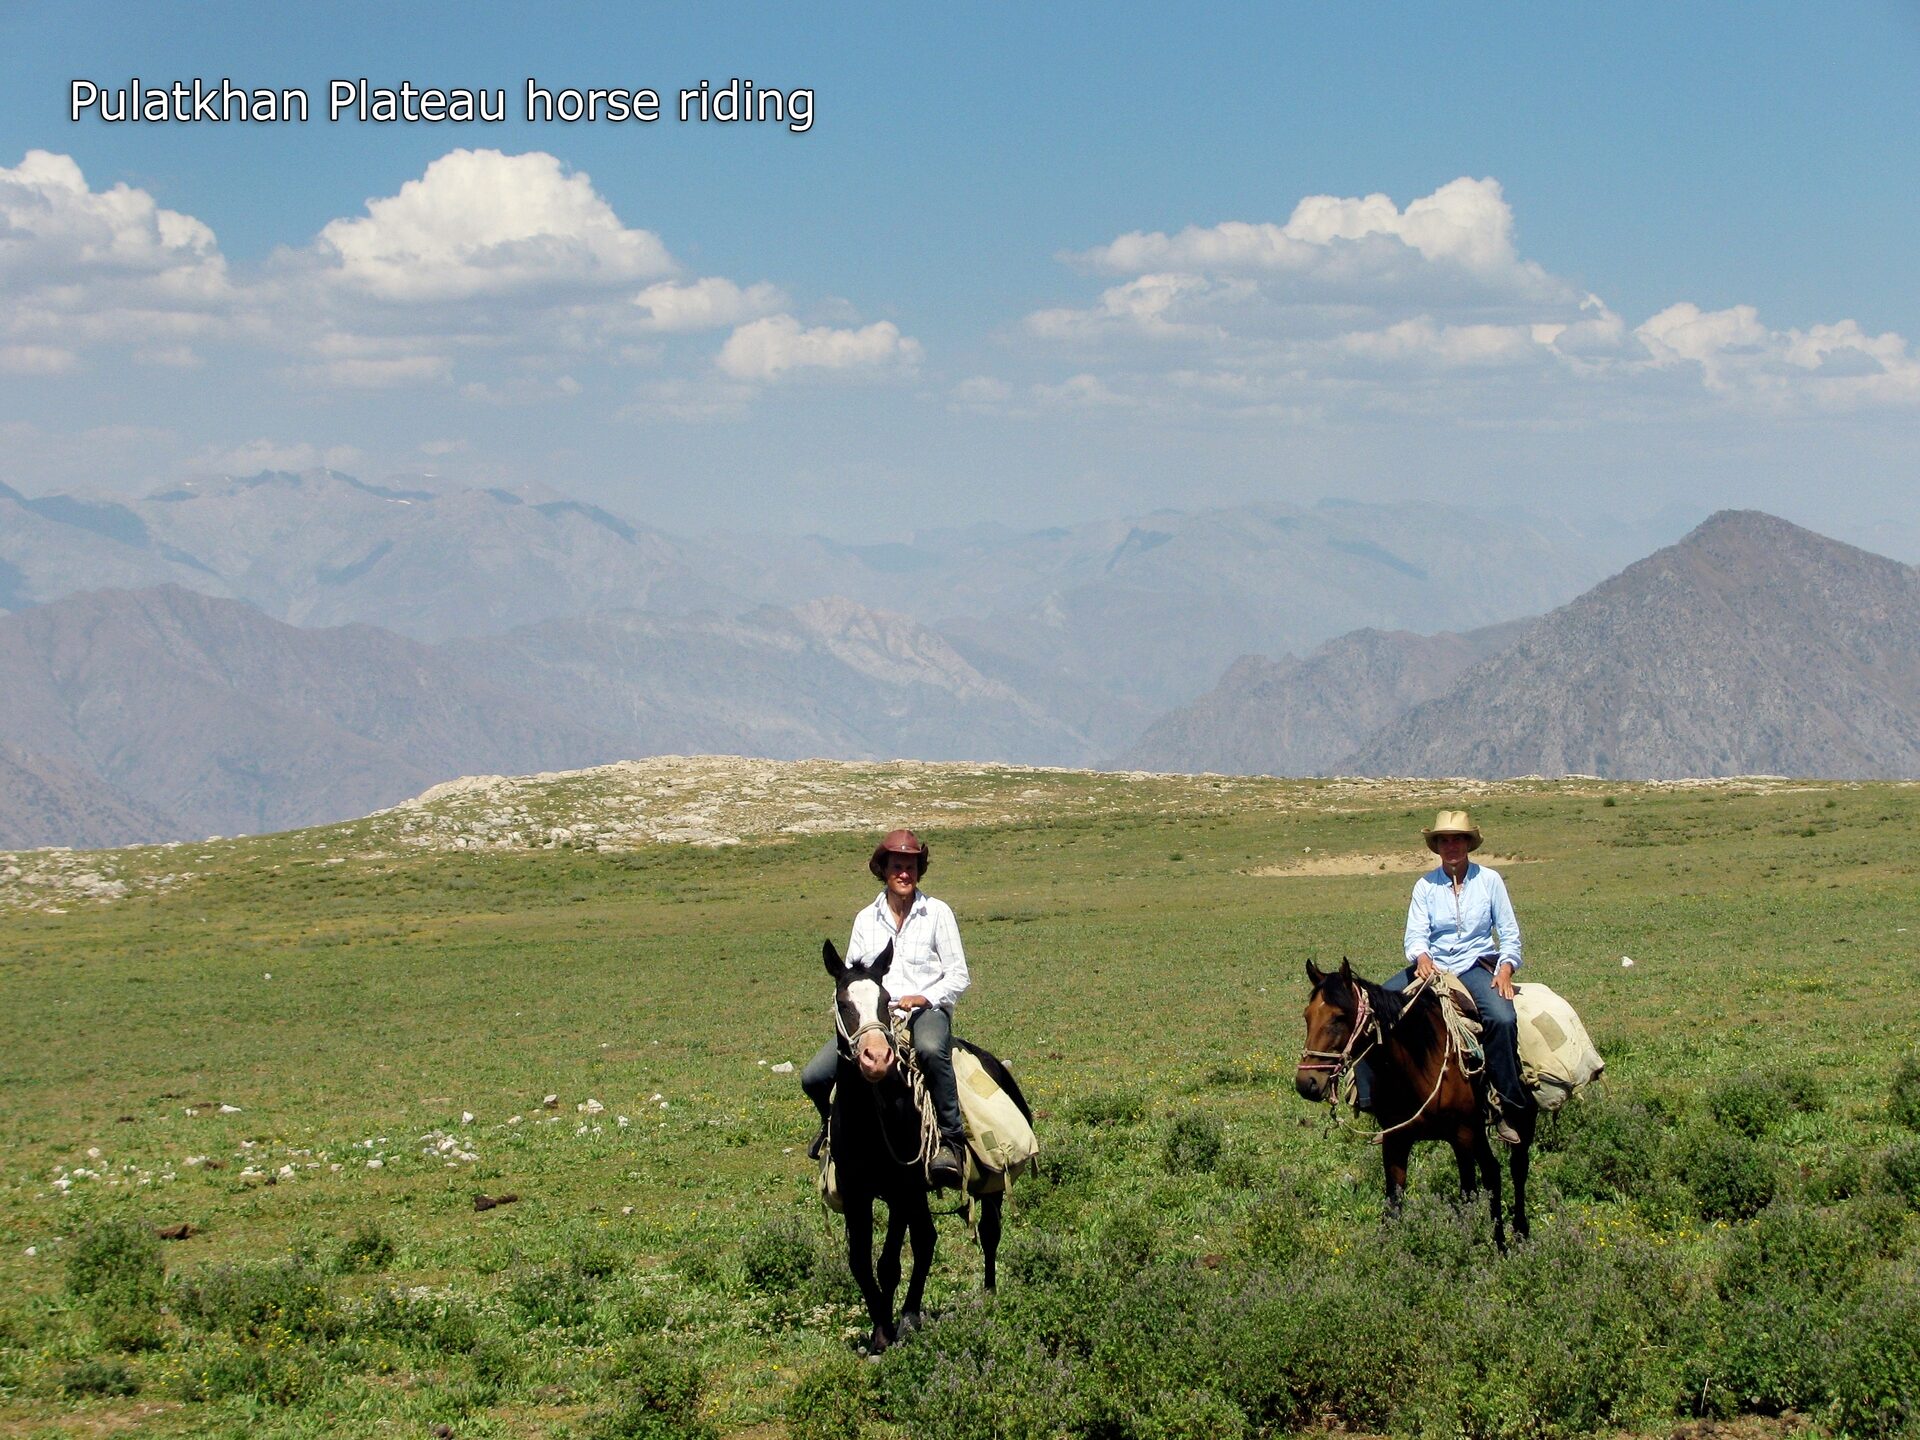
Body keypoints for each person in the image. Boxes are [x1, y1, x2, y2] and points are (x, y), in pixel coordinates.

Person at [801, 828, 972, 1187]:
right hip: (876, 1019)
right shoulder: (866, 919)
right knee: (814, 1076)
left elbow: (958, 975)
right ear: (884, 870)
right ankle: (833, 1130)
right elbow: (851, 978)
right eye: (897, 866)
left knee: (928, 1049)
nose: (905, 874)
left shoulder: (937, 913)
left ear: (919, 871)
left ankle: (950, 1142)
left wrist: (924, 997)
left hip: (926, 1011)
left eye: (911, 866)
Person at [1357, 809, 1533, 1144]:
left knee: (1502, 1017)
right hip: (1432, 967)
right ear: (1437, 846)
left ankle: (1506, 1106)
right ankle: (1372, 1102)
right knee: (1371, 1009)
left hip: (1473, 965)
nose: (1451, 846)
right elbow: (1415, 935)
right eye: (1444, 840)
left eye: (1457, 839)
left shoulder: (1490, 881)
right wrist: (1421, 957)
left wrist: (1506, 968)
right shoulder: (1424, 886)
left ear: (1468, 844)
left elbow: (1509, 935)